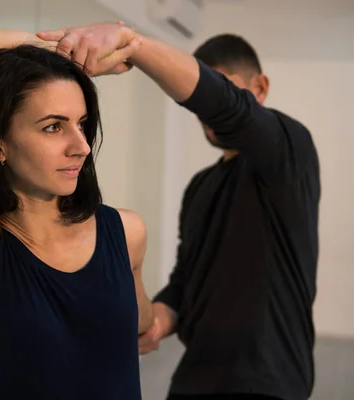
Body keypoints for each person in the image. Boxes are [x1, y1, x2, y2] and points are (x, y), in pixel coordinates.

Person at [37, 22, 321, 400]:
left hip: (268, 382)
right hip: (196, 378)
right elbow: (188, 281)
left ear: (260, 89)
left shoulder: (291, 152)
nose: (210, 109)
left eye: (226, 88)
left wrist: (132, 45)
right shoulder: (201, 187)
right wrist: (156, 321)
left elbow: (228, 109)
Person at [0, 26, 153, 399]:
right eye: (52, 127)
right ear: (0, 143)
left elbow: (144, 324)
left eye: (81, 124)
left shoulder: (127, 231)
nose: (81, 146)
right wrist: (69, 51)